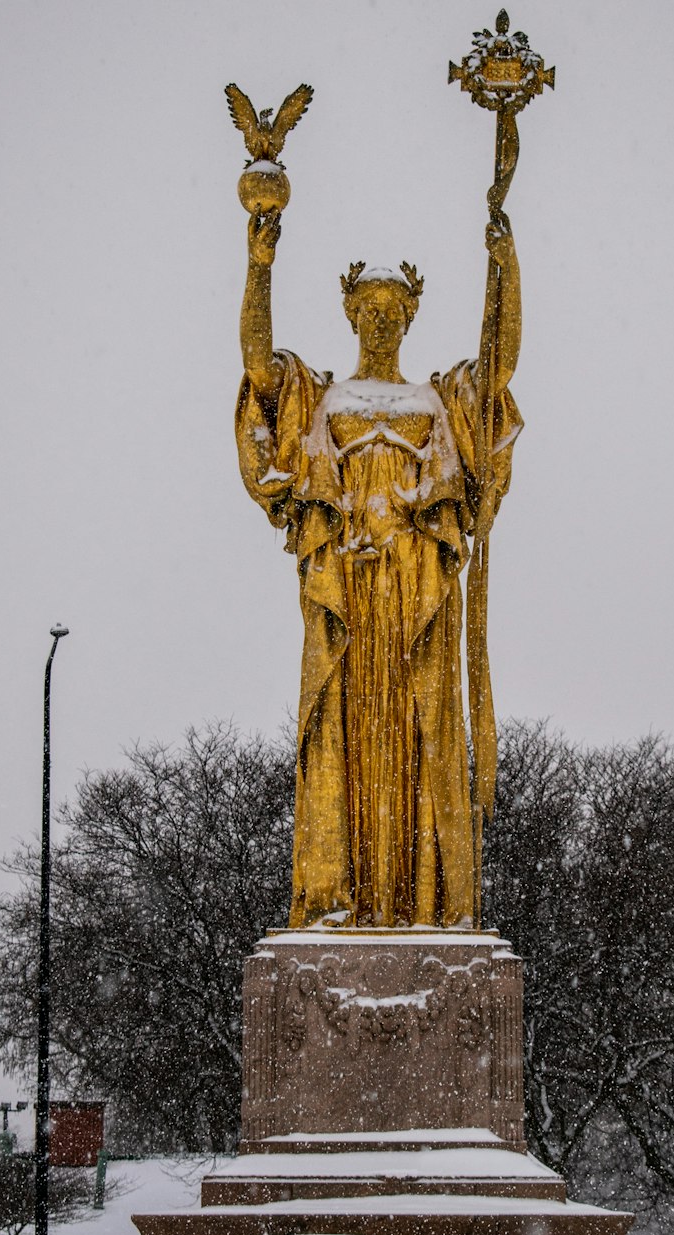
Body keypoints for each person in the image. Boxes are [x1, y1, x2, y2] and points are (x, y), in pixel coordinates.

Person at [236, 205, 522, 928]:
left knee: (422, 739)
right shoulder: (322, 398)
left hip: (417, 597)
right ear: (351, 314)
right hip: (349, 595)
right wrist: (259, 262)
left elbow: (499, 370)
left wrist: (504, 267)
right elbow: (257, 370)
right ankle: (340, 897)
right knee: (343, 741)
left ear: (411, 317)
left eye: (394, 309)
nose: (382, 321)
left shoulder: (438, 401)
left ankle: (419, 902)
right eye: (369, 308)